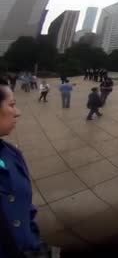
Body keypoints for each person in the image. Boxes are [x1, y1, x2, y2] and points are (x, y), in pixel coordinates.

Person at [0, 79, 57, 257]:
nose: (18, 112)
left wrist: (34, 240)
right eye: (12, 105)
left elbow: (26, 209)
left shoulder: (13, 153)